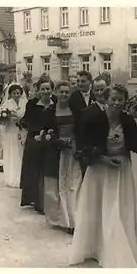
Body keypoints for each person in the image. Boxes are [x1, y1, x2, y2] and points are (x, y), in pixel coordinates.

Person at [68, 84, 137, 268]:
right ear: (106, 99)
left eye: (121, 100)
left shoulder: (127, 121)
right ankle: (94, 247)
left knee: (117, 208)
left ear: (125, 102)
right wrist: (102, 159)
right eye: (114, 99)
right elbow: (82, 146)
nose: (117, 103)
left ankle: (115, 247)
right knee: (97, 207)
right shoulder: (94, 119)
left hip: (120, 169)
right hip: (99, 168)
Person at [43, 81, 83, 235]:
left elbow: (80, 128)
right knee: (61, 184)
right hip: (58, 151)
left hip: (73, 150)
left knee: (75, 183)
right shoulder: (51, 111)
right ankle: (65, 220)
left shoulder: (75, 109)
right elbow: (47, 131)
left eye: (67, 92)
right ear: (56, 93)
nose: (64, 95)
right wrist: (57, 141)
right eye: (62, 92)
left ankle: (75, 219)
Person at [20, 76, 57, 213]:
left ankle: (49, 200)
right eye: (43, 89)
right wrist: (35, 134)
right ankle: (38, 200)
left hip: (51, 139)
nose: (46, 91)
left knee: (49, 171)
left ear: (52, 90)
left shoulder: (56, 103)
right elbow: (27, 121)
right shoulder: (32, 104)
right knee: (36, 170)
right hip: (35, 138)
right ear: (39, 91)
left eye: (48, 89)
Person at [0, 84, 28, 188]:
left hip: (22, 131)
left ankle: (22, 177)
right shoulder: (7, 104)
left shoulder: (25, 102)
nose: (16, 95)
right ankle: (12, 177)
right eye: (14, 93)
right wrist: (7, 118)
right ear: (10, 94)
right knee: (12, 153)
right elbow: (1, 118)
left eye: (18, 93)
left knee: (21, 154)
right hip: (11, 131)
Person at [68, 70, 96, 177]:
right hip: (80, 137)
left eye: (83, 81)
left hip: (94, 137)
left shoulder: (96, 95)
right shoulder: (73, 98)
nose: (79, 84)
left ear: (90, 82)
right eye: (78, 81)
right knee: (82, 168)